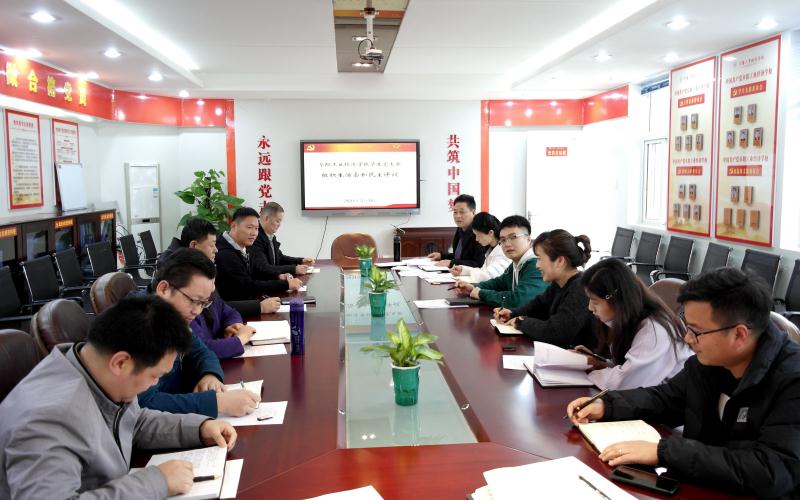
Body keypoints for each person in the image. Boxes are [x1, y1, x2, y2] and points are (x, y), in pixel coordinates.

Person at [566, 268, 800, 497]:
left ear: (739, 334)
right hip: (701, 486)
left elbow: (771, 470)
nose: (687, 339)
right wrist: (607, 405)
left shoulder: (792, 380)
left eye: (696, 331)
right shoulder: (709, 363)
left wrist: (664, 452)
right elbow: (666, 398)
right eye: (687, 326)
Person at [0, 296, 238, 498]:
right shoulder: (49, 419)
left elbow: (133, 422)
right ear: (121, 362)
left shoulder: (94, 369)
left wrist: (199, 428)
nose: (155, 384)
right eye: (155, 376)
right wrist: (156, 482)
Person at [140, 248, 261, 417]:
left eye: (203, 303)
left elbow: (202, 351)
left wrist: (209, 375)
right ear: (164, 289)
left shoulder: (171, 316)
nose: (197, 311)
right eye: (193, 301)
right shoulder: (138, 327)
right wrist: (217, 403)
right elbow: (143, 403)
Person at [575, 258, 692, 389]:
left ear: (617, 299)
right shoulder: (630, 320)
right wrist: (599, 363)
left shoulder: (654, 330)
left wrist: (588, 373)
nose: (590, 307)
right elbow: (629, 367)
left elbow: (625, 382)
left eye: (595, 301)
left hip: (671, 398)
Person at [159, 217, 281, 317]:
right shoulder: (178, 269)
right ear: (194, 245)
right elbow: (213, 309)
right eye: (212, 245)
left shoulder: (191, 262)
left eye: (256, 228)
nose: (216, 250)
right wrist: (259, 307)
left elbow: (218, 304)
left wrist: (231, 322)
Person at [494, 229, 595, 349]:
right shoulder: (558, 284)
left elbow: (556, 332)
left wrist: (520, 322)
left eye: (540, 259)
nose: (537, 265)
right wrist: (512, 313)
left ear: (560, 261)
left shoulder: (580, 288)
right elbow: (538, 306)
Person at [454, 215, 547, 308]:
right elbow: (498, 283)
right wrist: (473, 287)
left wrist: (480, 293)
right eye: (503, 240)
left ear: (528, 239)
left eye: (513, 237)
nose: (507, 244)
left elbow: (518, 300)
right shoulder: (516, 264)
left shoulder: (536, 264)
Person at [215, 207, 303, 301]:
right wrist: (286, 284)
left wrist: (278, 276)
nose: (254, 233)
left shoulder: (242, 245)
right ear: (233, 226)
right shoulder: (224, 253)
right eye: (249, 227)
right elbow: (247, 286)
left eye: (256, 228)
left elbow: (257, 269)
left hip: (249, 301)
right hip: (236, 306)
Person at [251, 202, 315, 276]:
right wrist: (294, 269)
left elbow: (280, 258)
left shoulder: (270, 236)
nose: (279, 225)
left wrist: (301, 261)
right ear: (267, 218)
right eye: (277, 221)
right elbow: (264, 268)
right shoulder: (254, 237)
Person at [427, 194, 486, 268]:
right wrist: (442, 256)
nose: (458, 216)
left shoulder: (479, 232)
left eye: (462, 212)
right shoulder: (460, 229)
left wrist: (452, 263)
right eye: (455, 212)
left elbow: (479, 264)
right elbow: (459, 256)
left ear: (473, 212)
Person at [451, 211, 510, 282]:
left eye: (478, 235)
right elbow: (483, 271)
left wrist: (469, 272)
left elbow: (486, 276)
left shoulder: (503, 252)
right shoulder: (491, 249)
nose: (476, 239)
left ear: (491, 233)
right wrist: (463, 270)